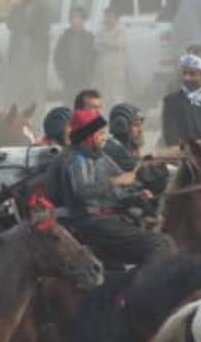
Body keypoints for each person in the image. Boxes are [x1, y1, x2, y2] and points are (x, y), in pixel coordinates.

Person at [56, 109, 173, 266]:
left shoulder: (101, 157)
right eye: (99, 134)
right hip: (92, 223)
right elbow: (82, 191)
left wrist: (137, 195)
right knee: (158, 244)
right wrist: (115, 181)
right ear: (88, 137)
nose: (104, 137)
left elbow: (121, 189)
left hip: (110, 218)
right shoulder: (77, 160)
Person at [53, 7, 96, 96]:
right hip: (69, 78)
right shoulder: (65, 38)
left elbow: (94, 58)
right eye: (73, 18)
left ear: (83, 20)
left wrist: (91, 74)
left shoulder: (89, 38)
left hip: (84, 78)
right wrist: (62, 73)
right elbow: (57, 57)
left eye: (78, 18)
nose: (75, 21)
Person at [93, 3, 130, 101]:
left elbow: (119, 44)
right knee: (104, 96)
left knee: (117, 96)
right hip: (103, 71)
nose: (108, 19)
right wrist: (108, 43)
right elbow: (97, 46)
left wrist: (106, 43)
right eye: (106, 16)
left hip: (116, 70)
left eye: (110, 16)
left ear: (115, 18)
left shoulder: (120, 31)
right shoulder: (100, 32)